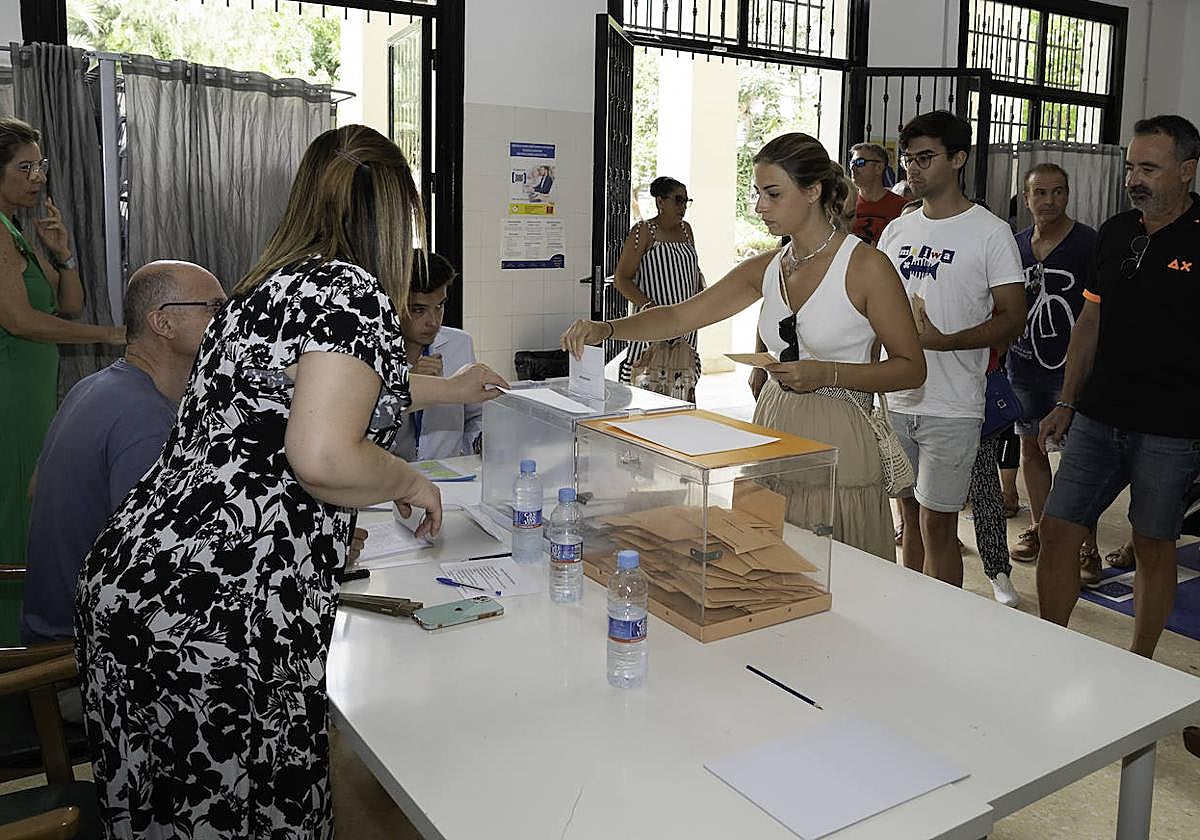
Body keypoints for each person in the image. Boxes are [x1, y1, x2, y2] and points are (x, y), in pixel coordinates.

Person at [75, 125, 508, 837]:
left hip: (140, 585)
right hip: (220, 610)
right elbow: (323, 453)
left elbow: (321, 396)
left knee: (163, 815)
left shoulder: (258, 292)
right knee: (246, 811)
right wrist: (407, 479)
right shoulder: (351, 290)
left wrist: (452, 389)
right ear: (391, 215)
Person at [563, 133, 926, 560]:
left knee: (837, 564)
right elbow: (679, 316)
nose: (759, 207)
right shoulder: (768, 267)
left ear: (813, 191)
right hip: (775, 420)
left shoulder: (865, 266)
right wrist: (607, 329)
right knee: (769, 560)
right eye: (757, 193)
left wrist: (827, 372)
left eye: (773, 194)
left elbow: (911, 368)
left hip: (839, 430)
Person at [1037, 115, 1200, 659]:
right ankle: (1048, 646)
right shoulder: (1115, 232)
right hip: (1097, 417)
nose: (1134, 179)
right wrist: (1067, 399)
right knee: (1058, 530)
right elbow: (1090, 320)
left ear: (1187, 171)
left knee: (1153, 545)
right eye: (1131, 167)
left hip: (1171, 429)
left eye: (1149, 169)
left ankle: (1140, 663)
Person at [22, 261, 223, 644]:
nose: (227, 319)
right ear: (162, 323)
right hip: (88, 642)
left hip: (57, 619)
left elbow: (36, 489)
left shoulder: (92, 387)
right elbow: (156, 562)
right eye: (214, 307)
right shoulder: (145, 416)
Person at [877, 111, 1026, 587]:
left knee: (938, 524)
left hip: (953, 404)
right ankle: (911, 611)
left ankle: (943, 619)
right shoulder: (898, 231)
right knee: (908, 519)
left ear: (958, 159)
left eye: (925, 158)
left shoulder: (989, 232)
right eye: (908, 158)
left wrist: (945, 342)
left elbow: (1013, 317)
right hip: (896, 397)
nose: (913, 168)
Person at [0, 117, 125, 565]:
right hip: (9, 395)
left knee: (27, 505)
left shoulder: (15, 229)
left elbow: (69, 304)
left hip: (29, 394)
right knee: (14, 507)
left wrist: (64, 254)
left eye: (41, 166)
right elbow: (19, 321)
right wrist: (110, 334)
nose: (38, 178)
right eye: (24, 168)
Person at [1004, 163, 1101, 576]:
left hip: (1071, 371)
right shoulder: (1014, 245)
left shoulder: (1088, 244)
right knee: (1031, 447)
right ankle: (1040, 528)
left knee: (1081, 461)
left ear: (1068, 195)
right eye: (1040, 193)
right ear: (1026, 198)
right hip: (1023, 366)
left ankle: (1086, 545)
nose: (1049, 201)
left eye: (1057, 192)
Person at [613, 176, 704, 390]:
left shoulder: (686, 230)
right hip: (651, 324)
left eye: (686, 201)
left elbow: (693, 270)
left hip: (685, 324)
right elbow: (621, 279)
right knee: (646, 380)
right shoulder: (643, 231)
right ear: (660, 201)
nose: (683, 206)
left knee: (681, 383)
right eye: (678, 200)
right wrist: (649, 307)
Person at [391, 252, 483, 461]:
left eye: (439, 306)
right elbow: (365, 427)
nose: (433, 321)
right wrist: (410, 386)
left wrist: (478, 442)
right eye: (418, 309)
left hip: (450, 471)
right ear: (394, 303)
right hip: (393, 473)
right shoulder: (372, 354)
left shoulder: (460, 343)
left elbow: (475, 416)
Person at [849, 142, 908, 245]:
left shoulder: (902, 207)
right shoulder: (846, 204)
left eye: (860, 162)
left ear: (879, 168)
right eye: (852, 163)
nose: (852, 168)